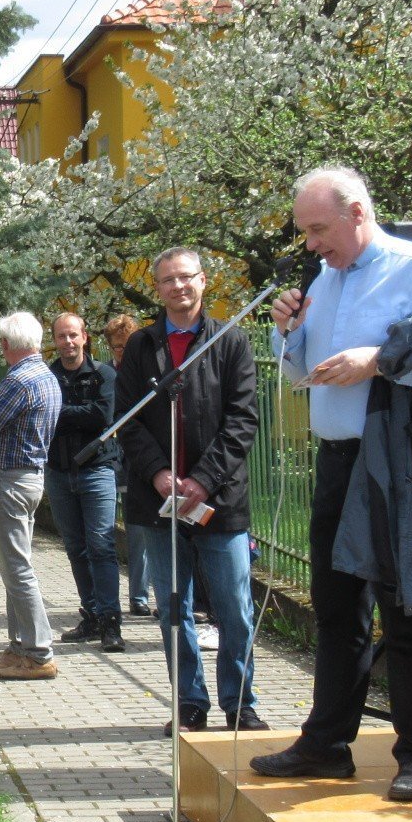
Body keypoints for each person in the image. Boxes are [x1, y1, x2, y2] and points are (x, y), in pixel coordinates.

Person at [253, 166, 412, 802]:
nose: (310, 245)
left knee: (406, 613)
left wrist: (378, 363)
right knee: (335, 609)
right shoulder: (322, 280)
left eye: (318, 229)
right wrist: (288, 334)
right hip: (336, 461)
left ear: (357, 213)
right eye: (305, 232)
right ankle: (326, 745)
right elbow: (301, 375)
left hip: (398, 465)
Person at [117, 250, 265, 733]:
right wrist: (160, 473)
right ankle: (189, 702)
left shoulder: (231, 340)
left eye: (186, 277)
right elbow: (128, 422)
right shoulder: (141, 347)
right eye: (167, 280)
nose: (178, 287)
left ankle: (239, 701)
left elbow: (243, 420)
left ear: (203, 280)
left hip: (219, 502)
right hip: (158, 502)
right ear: (157, 288)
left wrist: (203, 480)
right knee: (173, 610)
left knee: (234, 609)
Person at [0, 312, 63, 681]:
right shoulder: (47, 376)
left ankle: (39, 653)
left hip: (10, 480)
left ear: (6, 344)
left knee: (17, 569)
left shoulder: (18, 380)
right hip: (31, 478)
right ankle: (18, 647)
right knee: (16, 566)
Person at [45, 313, 123, 652]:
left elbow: (102, 417)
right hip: (59, 473)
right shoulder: (47, 376)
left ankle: (111, 623)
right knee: (75, 548)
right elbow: (41, 417)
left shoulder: (104, 374)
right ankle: (91, 616)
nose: (68, 342)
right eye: (61, 336)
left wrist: (61, 413)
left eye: (73, 335)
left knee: (102, 546)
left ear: (85, 337)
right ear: (55, 340)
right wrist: (76, 414)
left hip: (97, 471)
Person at [102, 313, 152, 617]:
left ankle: (139, 596)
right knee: (104, 534)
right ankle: (108, 603)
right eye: (117, 347)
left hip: (138, 461)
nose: (122, 351)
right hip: (110, 461)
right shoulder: (105, 374)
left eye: (127, 345)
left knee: (140, 532)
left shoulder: (146, 374)